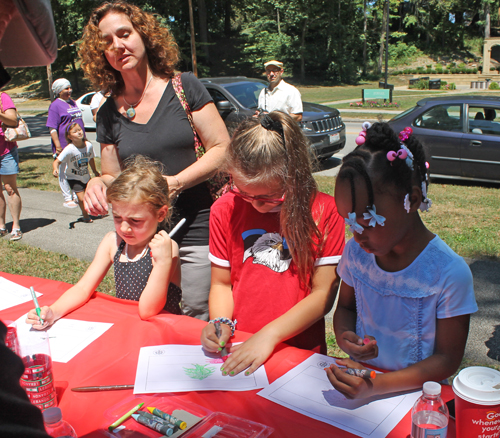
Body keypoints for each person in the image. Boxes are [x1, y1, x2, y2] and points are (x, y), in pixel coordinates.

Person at [79, 1, 230, 321]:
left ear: (144, 35)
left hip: (197, 226)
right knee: (152, 314)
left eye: (124, 33)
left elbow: (222, 148)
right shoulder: (107, 113)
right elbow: (112, 176)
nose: (118, 46)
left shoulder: (184, 86)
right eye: (107, 41)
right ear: (101, 54)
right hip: (143, 234)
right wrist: (96, 182)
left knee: (195, 312)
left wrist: (177, 182)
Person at [325, 122, 478, 399]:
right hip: (363, 387)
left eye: (368, 221)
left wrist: (376, 386)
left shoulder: (448, 273)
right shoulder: (356, 255)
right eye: (350, 222)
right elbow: (346, 307)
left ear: (413, 200)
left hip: (419, 400)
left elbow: (447, 358)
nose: (357, 235)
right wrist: (345, 334)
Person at [200, 112, 345, 376]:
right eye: (244, 193)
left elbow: (322, 295)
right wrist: (219, 321)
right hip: (240, 345)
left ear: (295, 176)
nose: (254, 204)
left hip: (299, 352)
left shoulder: (325, 212)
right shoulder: (224, 209)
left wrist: (269, 335)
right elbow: (221, 284)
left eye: (268, 197)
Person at [26, 155, 183, 328]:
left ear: (160, 214)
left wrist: (162, 262)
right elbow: (84, 288)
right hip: (129, 327)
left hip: (162, 331)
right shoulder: (113, 243)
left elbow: (147, 311)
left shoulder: (167, 249)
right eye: (117, 217)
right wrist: (54, 312)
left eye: (135, 221)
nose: (124, 228)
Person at [46, 78, 85, 209]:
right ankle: (67, 197)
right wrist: (57, 145)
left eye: (70, 87)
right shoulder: (55, 105)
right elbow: (52, 128)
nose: (69, 91)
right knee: (63, 170)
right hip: (64, 143)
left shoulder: (73, 103)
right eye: (66, 89)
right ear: (58, 91)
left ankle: (75, 195)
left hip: (77, 142)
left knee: (75, 169)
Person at [52, 123, 100, 223]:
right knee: (81, 199)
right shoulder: (69, 149)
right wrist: (55, 169)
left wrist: (95, 171)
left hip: (85, 176)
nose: (79, 132)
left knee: (89, 196)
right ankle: (85, 215)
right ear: (69, 137)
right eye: (75, 131)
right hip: (73, 177)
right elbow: (56, 161)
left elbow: (91, 159)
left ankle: (92, 210)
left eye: (80, 130)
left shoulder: (89, 146)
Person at [0, 92, 23, 241]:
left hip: (5, 150)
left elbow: (13, 120)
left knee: (10, 188)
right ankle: (1, 226)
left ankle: (16, 226)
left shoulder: (2, 97)